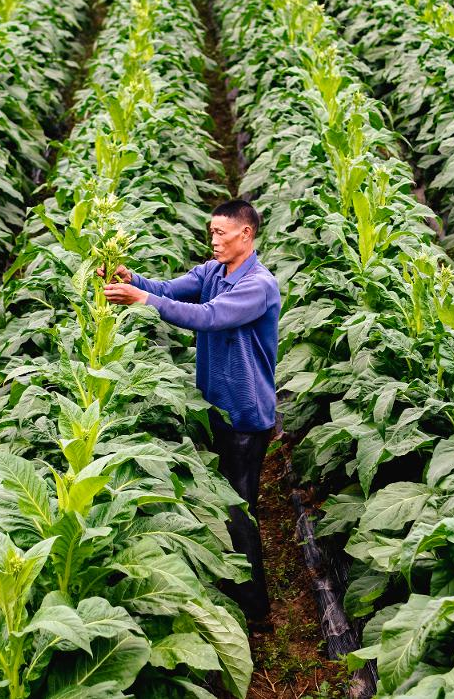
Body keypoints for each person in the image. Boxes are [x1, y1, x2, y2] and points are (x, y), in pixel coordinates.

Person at [102, 198, 280, 628]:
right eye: (211, 231)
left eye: (221, 232)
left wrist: (141, 299)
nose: (213, 239)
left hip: (244, 414)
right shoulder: (212, 272)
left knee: (239, 510)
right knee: (220, 501)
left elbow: (209, 317)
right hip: (213, 408)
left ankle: (256, 610)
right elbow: (169, 289)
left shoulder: (258, 284)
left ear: (246, 235)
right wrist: (134, 280)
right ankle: (230, 581)